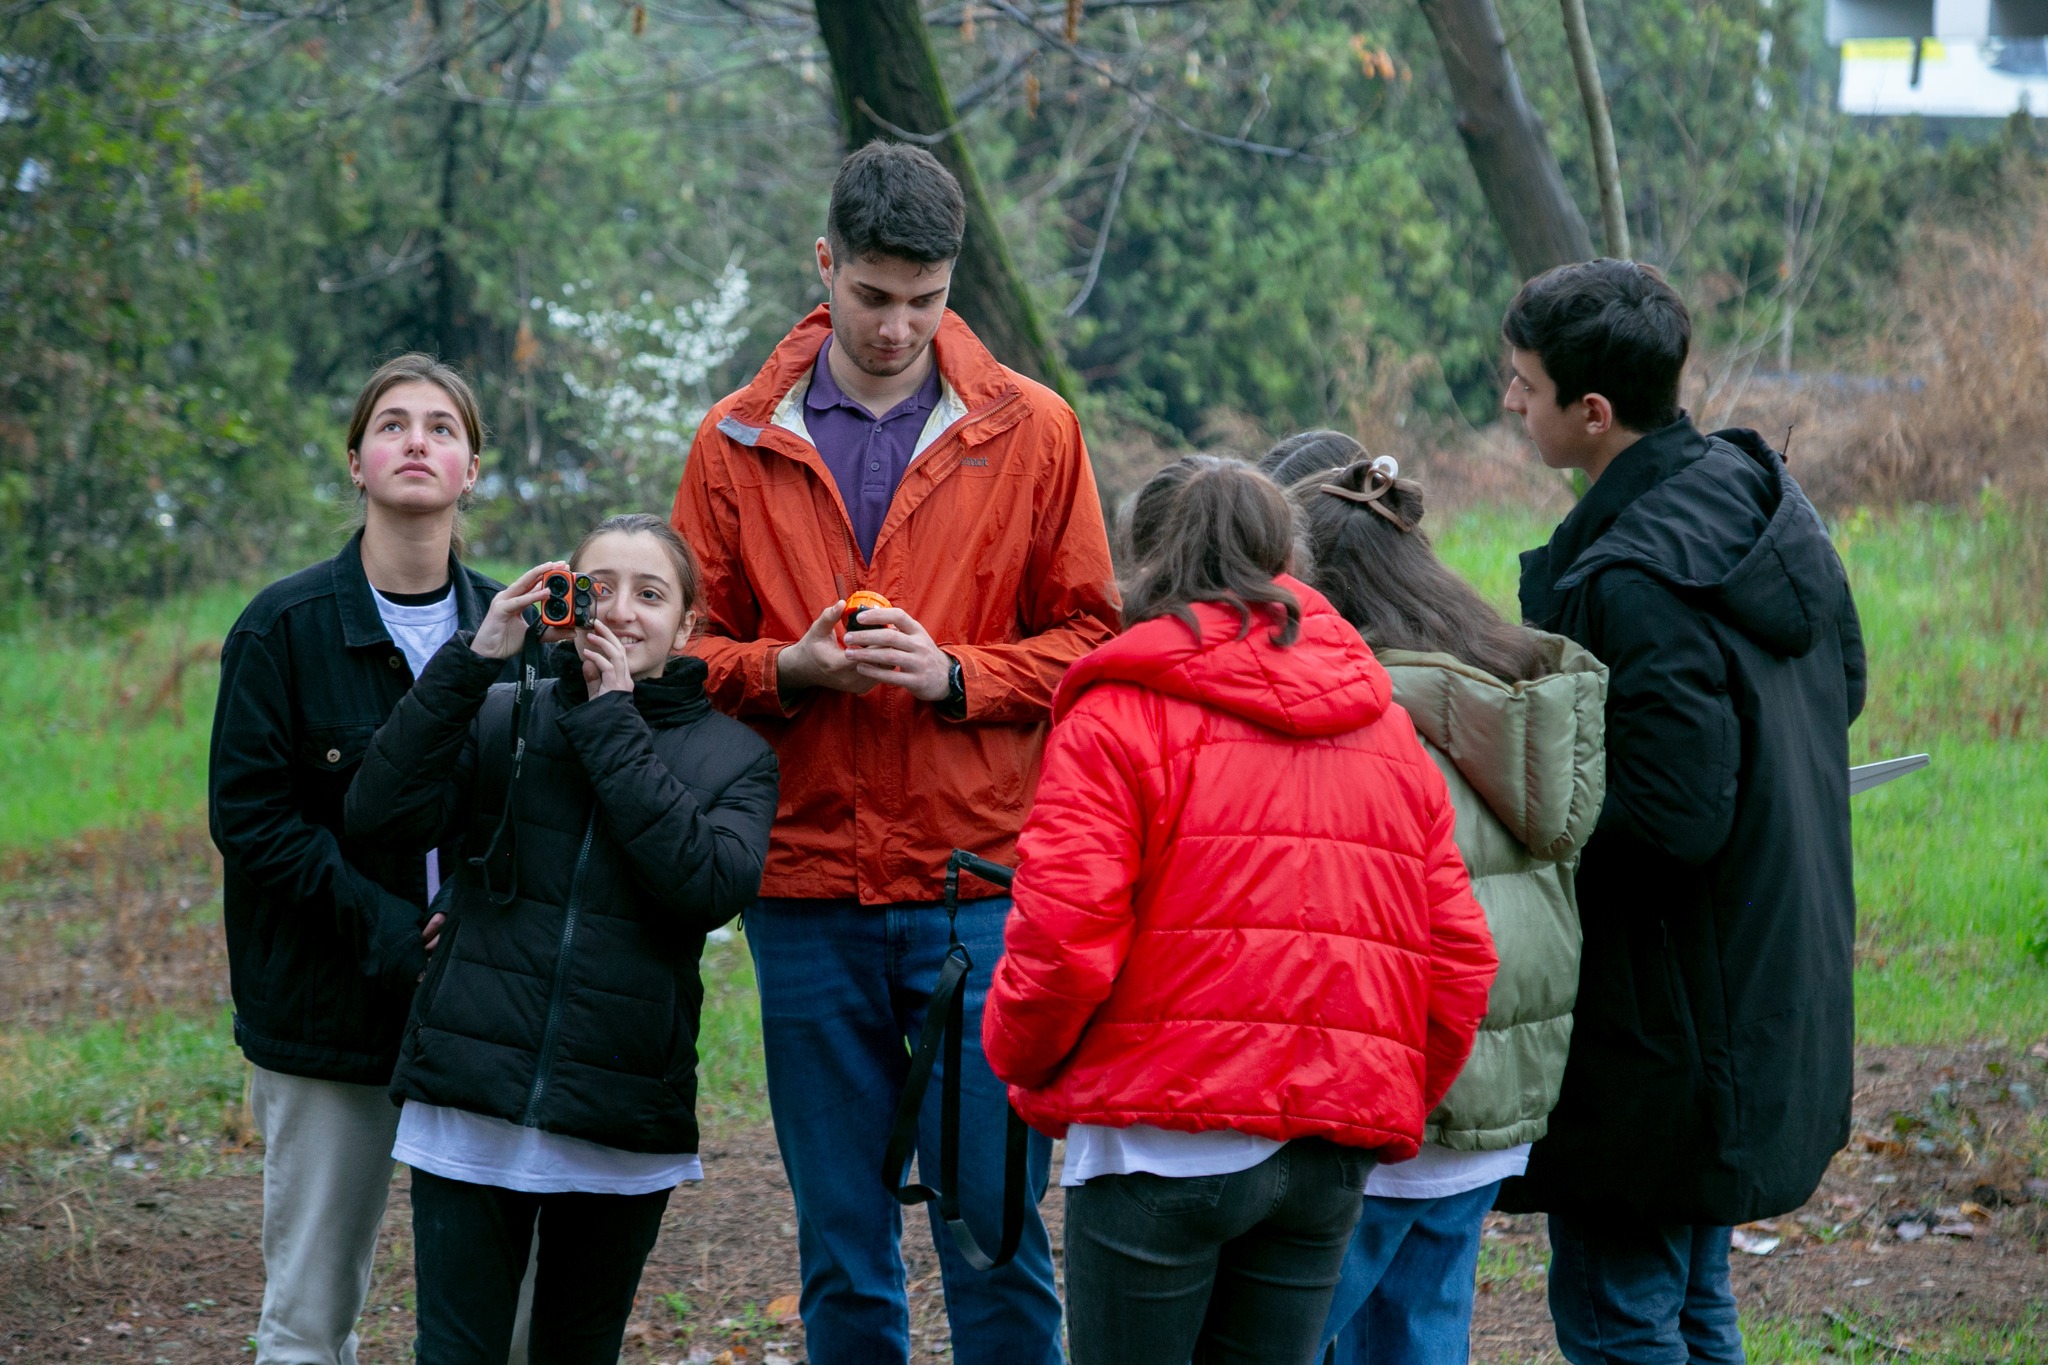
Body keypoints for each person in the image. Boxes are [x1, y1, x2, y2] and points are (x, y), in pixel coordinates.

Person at [668, 141, 1118, 1364]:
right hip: (803, 888)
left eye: (924, 300)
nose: (895, 326)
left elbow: (1091, 642)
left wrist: (958, 675)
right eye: (871, 296)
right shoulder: (734, 440)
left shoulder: (1035, 429)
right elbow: (681, 652)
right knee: (840, 1245)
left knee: (996, 1233)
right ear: (824, 265)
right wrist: (787, 670)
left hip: (977, 889)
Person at [981, 456, 1500, 1365]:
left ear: (1146, 560)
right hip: (1326, 1143)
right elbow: (1459, 957)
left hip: (1156, 1140)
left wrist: (1019, 1064)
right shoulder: (1385, 727)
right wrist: (1378, 1089)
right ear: (1288, 558)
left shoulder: (1116, 716)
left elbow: (1062, 940)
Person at [1495, 260, 1866, 1364]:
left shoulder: (1633, 576)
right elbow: (1839, 687)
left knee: (1620, 1316)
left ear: (1592, 411)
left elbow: (1670, 816)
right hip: (1753, 976)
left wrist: (1515, 800)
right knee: (1694, 1299)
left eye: (1523, 384)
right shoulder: (1754, 501)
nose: (1509, 401)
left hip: (1664, 1022)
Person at [344, 514, 778, 1364]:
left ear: (687, 623)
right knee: (454, 1352)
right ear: (562, 599)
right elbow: (378, 814)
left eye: (650, 594)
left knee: (578, 1351)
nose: (620, 611)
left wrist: (612, 720)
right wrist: (474, 659)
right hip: (470, 1096)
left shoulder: (736, 757)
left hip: (617, 1112)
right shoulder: (502, 712)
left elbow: (704, 889)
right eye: (598, 587)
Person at [1259, 432, 1608, 1365]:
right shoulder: (1510, 696)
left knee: (1275, 1337)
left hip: (1387, 1101)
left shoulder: (1364, 722)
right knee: (1420, 1336)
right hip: (1493, 1106)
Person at [208, 354, 503, 1365]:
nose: (416, 441)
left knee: (502, 1316)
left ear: (471, 469)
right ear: (355, 462)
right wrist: (385, 928)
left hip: (480, 1011)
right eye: (392, 424)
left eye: (441, 427)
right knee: (310, 1313)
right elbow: (252, 821)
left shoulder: (512, 630)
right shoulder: (281, 629)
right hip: (326, 1008)